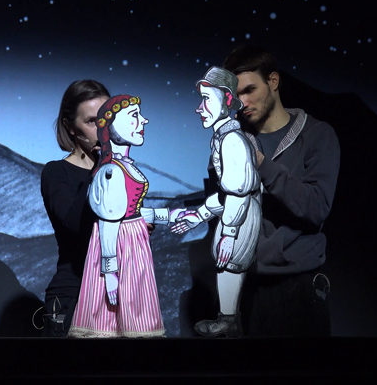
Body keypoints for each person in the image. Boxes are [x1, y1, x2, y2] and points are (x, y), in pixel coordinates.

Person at [224, 46, 340, 337]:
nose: (242, 102)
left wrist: (261, 164)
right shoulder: (231, 140)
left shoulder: (317, 135)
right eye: (236, 95)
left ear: (273, 81)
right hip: (245, 287)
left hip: (299, 286)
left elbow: (316, 208)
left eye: (249, 90)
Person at [67, 95, 185, 338]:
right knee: (112, 318)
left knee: (136, 309)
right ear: (110, 125)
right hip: (120, 248)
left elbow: (130, 213)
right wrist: (110, 272)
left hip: (133, 245)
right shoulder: (111, 171)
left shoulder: (125, 166)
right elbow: (108, 224)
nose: (143, 121)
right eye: (134, 116)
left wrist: (169, 216)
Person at [170, 66, 262, 337]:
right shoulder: (222, 138)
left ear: (227, 100)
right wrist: (199, 215)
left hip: (240, 213)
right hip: (234, 210)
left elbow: (238, 192)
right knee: (225, 266)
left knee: (229, 264)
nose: (200, 108)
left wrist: (230, 233)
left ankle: (229, 322)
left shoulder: (232, 141)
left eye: (206, 99)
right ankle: (228, 319)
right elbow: (225, 194)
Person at [39, 80, 112, 337]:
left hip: (118, 293)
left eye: (107, 119)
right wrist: (101, 165)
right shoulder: (57, 172)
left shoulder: (120, 172)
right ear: (70, 127)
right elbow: (72, 224)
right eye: (92, 121)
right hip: (73, 295)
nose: (103, 128)